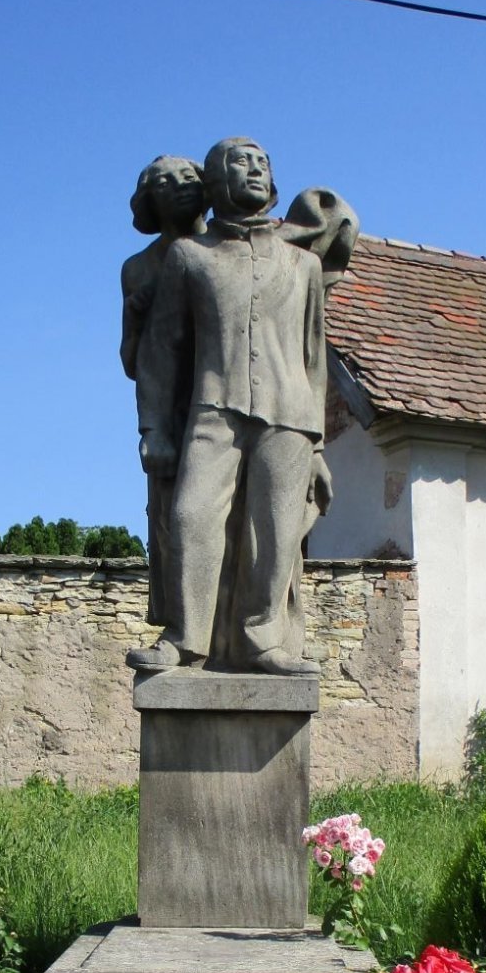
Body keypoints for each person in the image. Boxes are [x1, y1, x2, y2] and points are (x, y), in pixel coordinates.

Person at [127, 138, 339, 676]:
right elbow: (160, 352)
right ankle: (184, 638)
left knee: (275, 531)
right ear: (216, 182)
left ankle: (262, 640)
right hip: (213, 411)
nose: (256, 170)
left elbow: (314, 361)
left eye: (263, 163)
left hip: (289, 416)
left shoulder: (303, 266)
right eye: (241, 162)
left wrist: (316, 446)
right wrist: (154, 427)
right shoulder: (189, 257)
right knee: (191, 515)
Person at [119, 156, 207, 624]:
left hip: (231, 401)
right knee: (175, 521)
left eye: (190, 178)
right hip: (173, 408)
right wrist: (136, 316)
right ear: (149, 200)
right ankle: (180, 623)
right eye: (165, 183)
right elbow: (131, 360)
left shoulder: (229, 248)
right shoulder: (139, 268)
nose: (180, 188)